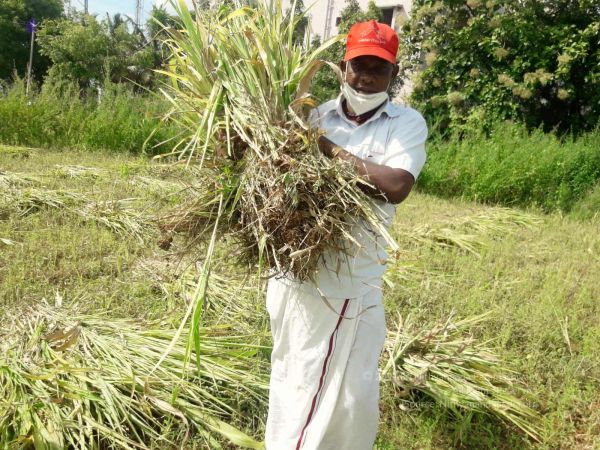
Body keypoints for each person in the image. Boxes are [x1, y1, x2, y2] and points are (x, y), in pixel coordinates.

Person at [265, 20, 428, 450]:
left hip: (352, 278)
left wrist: (326, 150)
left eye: (379, 68)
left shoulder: (405, 123)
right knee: (295, 375)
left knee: (352, 393)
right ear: (343, 66)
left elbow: (395, 186)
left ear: (393, 74)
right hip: (297, 272)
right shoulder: (313, 115)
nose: (367, 77)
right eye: (360, 65)